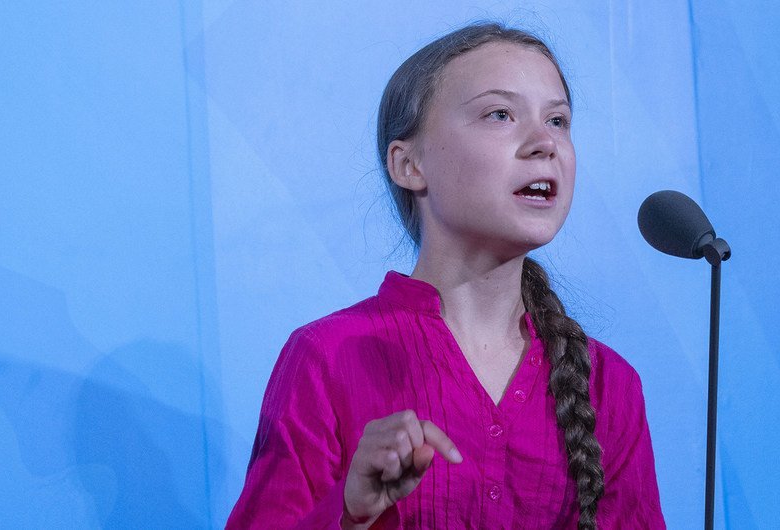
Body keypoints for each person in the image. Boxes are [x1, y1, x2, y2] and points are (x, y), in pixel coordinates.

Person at [226, 22, 666, 529]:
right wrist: (350, 515)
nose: (545, 142)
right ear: (409, 164)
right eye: (499, 114)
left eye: (559, 121)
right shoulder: (327, 357)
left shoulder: (609, 383)